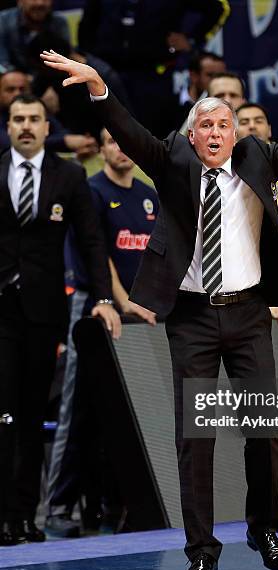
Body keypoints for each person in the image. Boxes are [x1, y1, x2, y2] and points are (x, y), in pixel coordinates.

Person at [41, 48, 278, 570]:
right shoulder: (170, 159)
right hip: (193, 317)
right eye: (208, 126)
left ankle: (264, 529)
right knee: (195, 439)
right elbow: (126, 130)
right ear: (193, 135)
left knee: (263, 430)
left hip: (248, 314)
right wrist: (98, 85)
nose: (218, 132)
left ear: (235, 134)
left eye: (226, 124)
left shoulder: (259, 158)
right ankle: (201, 549)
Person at [0, 93, 120, 546]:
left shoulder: (69, 175)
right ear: (8, 126)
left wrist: (103, 297)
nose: (26, 126)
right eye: (18, 119)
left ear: (48, 127)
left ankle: (25, 518)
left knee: (30, 415)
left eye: (34, 119)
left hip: (44, 309)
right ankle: (1, 517)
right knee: (3, 413)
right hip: (1, 310)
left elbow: (91, 241)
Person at [45, 128, 158, 538]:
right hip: (98, 308)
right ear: (102, 149)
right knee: (76, 408)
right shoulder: (90, 190)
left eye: (125, 141)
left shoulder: (149, 195)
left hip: (139, 315)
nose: (120, 148)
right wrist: (121, 300)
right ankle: (58, 505)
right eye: (111, 141)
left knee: (130, 414)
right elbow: (97, 253)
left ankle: (121, 504)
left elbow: (157, 254)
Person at [77, 0, 230, 138]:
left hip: (152, 75)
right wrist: (88, 57)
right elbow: (87, 23)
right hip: (107, 71)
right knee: (104, 130)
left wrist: (192, 39)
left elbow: (220, 8)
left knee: (151, 134)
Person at [236, 101, 278, 324]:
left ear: (270, 129)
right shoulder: (231, 175)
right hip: (252, 289)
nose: (252, 126)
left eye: (258, 121)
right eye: (244, 122)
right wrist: (268, 295)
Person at [0, 68, 98, 156]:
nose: (17, 93)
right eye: (10, 89)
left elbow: (62, 133)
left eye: (22, 89)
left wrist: (81, 143)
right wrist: (64, 142)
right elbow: (12, 145)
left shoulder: (40, 111)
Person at [0, 0, 70, 74]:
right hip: (14, 75)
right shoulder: (3, 20)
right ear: (20, 1)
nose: (40, 3)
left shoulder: (59, 22)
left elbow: (65, 57)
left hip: (49, 75)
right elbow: (1, 61)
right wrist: (11, 72)